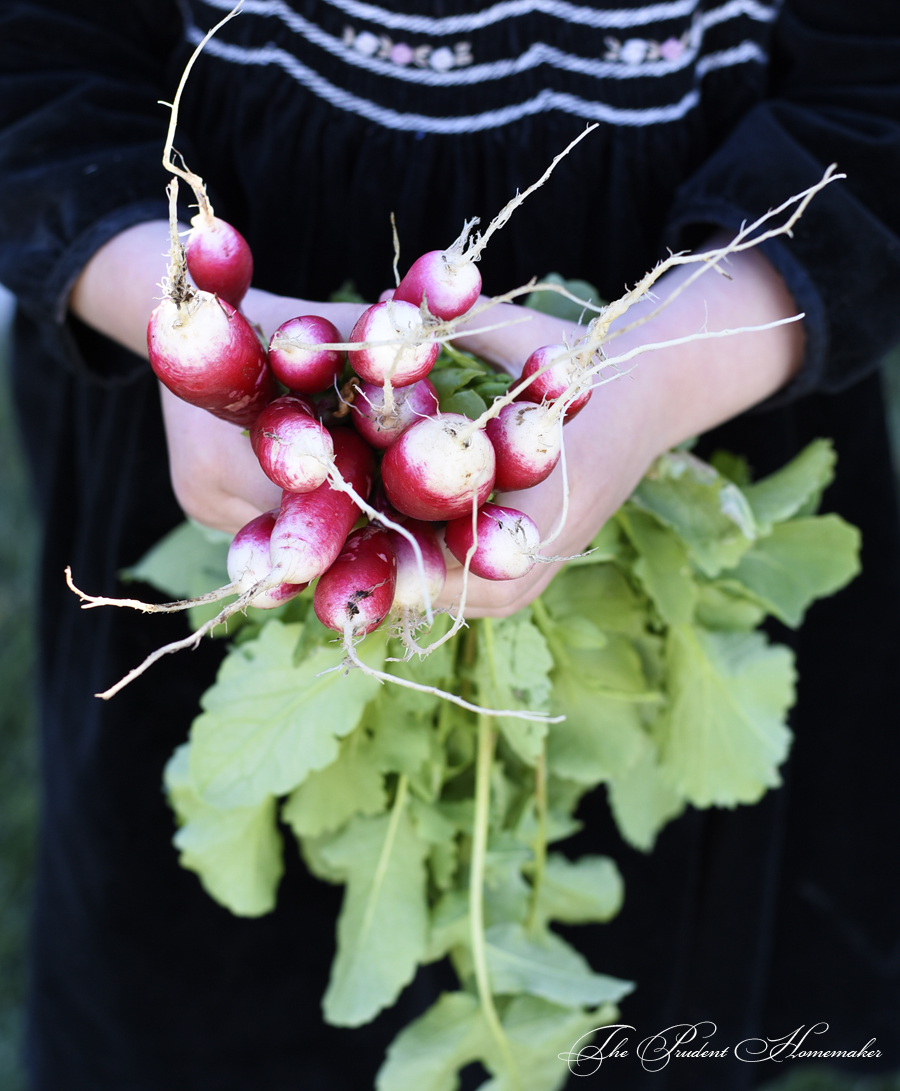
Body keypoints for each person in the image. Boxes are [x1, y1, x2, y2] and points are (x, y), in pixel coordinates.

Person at [1, 1, 899, 1088]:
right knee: (196, 979)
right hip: (187, 417)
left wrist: (655, 376)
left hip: (708, 343)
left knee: (643, 934)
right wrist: (170, 301)